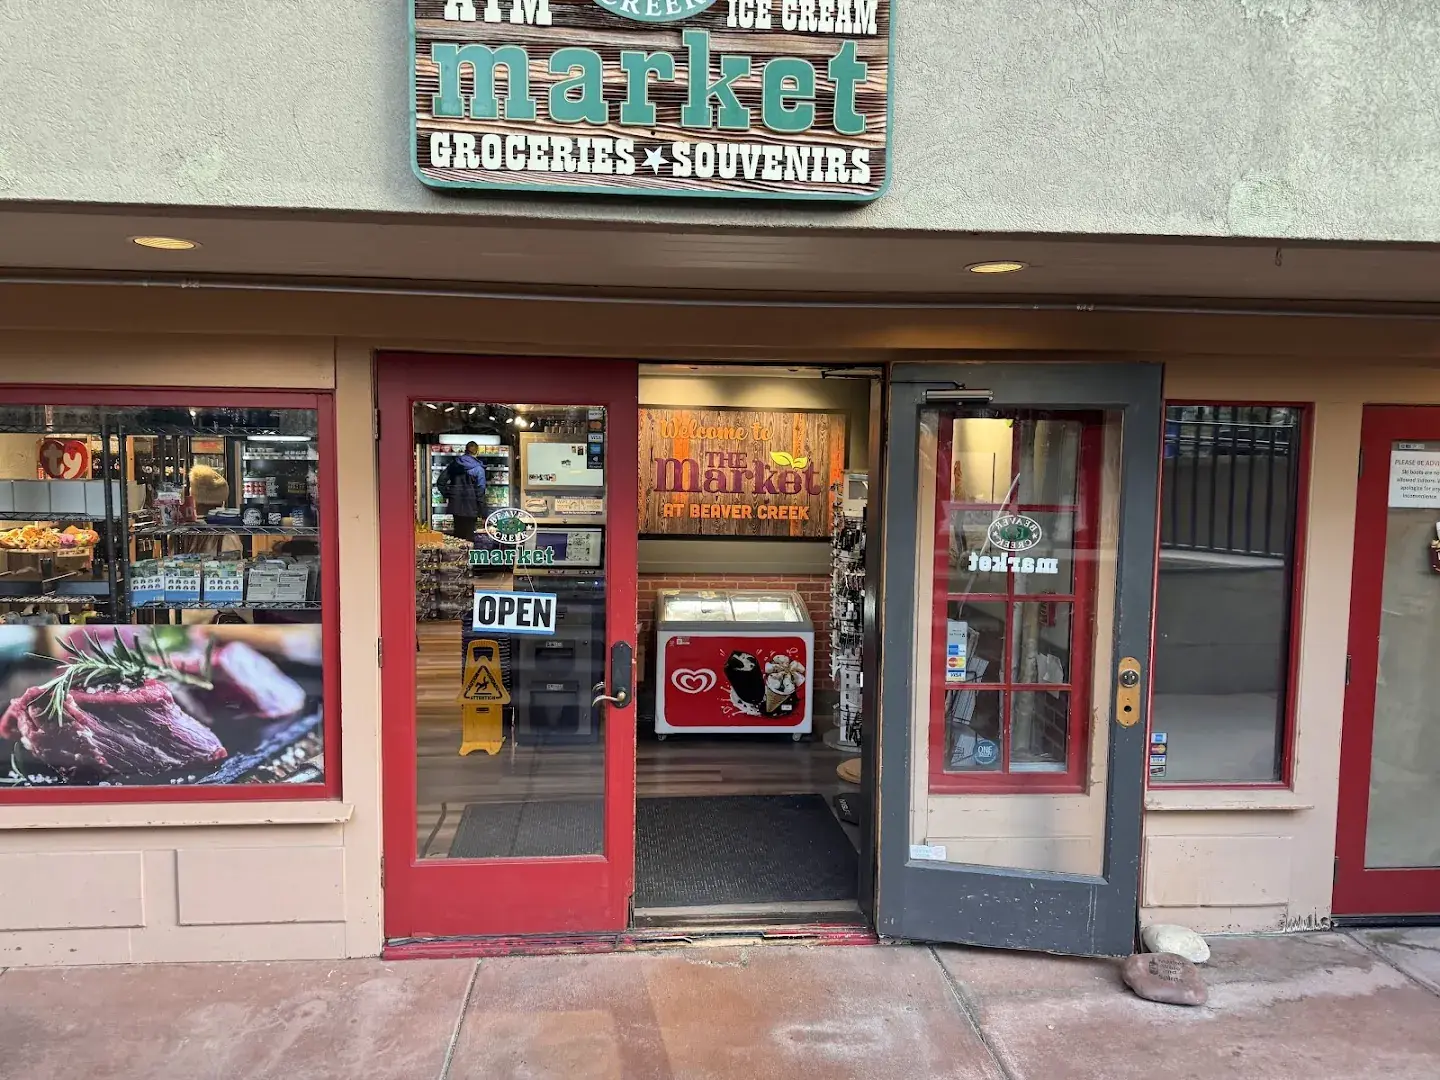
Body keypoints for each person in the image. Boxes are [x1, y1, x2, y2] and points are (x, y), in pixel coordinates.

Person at [438, 441, 486, 541]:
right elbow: (480, 490)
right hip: (472, 506)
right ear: (477, 451)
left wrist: (449, 494)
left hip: (456, 505)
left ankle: (458, 550)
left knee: (458, 535)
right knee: (469, 536)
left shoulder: (454, 464)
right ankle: (468, 550)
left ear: (465, 450)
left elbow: (441, 482)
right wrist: (482, 510)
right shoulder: (478, 469)